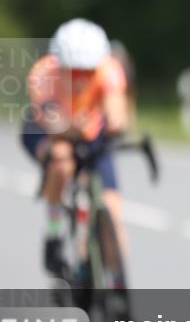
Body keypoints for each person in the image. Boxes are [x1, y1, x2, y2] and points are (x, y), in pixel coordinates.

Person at [21, 18, 130, 286]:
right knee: (61, 161)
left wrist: (115, 122)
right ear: (59, 64)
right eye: (73, 72)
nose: (80, 79)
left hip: (89, 130)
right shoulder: (43, 74)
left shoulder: (110, 70)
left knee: (112, 211)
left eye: (88, 72)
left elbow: (116, 110)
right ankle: (54, 232)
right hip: (49, 131)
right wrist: (76, 131)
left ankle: (116, 284)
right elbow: (53, 122)